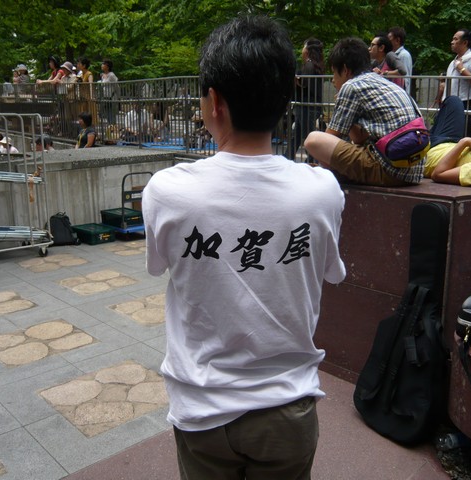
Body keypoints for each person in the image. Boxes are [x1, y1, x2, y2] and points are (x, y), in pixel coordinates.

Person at [142, 15, 345, 480]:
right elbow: (331, 273)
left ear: (214, 102)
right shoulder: (321, 191)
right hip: (288, 406)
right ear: (285, 98)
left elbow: (158, 266)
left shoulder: (168, 191)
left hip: (202, 409)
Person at [304, 37, 425, 186]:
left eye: (334, 73)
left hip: (390, 169)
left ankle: (327, 180)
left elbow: (328, 140)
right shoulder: (382, 82)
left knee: (314, 139)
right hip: (412, 171)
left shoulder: (351, 86)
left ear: (345, 70)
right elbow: (359, 139)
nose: (333, 80)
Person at [435, 29, 471, 137]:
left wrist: (461, 69)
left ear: (465, 42)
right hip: (449, 101)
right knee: (448, 131)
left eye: (455, 39)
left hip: (464, 101)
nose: (452, 42)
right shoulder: (453, 62)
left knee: (464, 131)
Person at [285, 38, 325, 162]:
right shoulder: (315, 64)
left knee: (307, 135)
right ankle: (288, 157)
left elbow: (305, 84)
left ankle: (313, 160)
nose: (302, 50)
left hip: (307, 106)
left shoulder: (309, 64)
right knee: (297, 135)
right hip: (307, 106)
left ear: (307, 50)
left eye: (303, 47)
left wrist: (296, 80)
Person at [388, 27, 413, 93]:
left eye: (389, 39)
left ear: (397, 40)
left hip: (399, 92)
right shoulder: (392, 54)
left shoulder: (404, 55)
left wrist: (387, 73)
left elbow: (405, 78)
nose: (387, 42)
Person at [99, 59, 119, 124]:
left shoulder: (111, 75)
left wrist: (118, 97)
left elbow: (116, 86)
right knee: (107, 114)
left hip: (112, 97)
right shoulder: (103, 75)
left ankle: (113, 127)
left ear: (107, 66)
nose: (102, 65)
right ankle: (110, 127)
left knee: (112, 115)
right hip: (106, 97)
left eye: (103, 64)